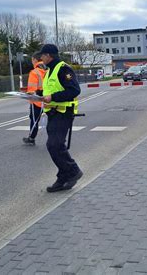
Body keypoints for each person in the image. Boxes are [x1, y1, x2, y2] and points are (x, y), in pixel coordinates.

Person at [40, 44, 83, 192]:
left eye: (42, 55)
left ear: (49, 56)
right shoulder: (50, 70)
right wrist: (38, 94)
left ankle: (72, 171)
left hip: (63, 112)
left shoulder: (63, 69)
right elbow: (51, 90)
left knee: (55, 144)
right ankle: (64, 175)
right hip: (52, 113)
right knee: (54, 146)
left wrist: (52, 97)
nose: (41, 58)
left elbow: (74, 90)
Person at [22, 52, 47, 145]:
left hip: (37, 101)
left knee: (34, 119)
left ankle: (31, 138)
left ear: (35, 60)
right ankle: (55, 138)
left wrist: (27, 94)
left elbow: (32, 90)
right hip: (49, 99)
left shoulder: (34, 72)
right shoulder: (48, 70)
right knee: (51, 119)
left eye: (32, 60)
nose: (32, 62)